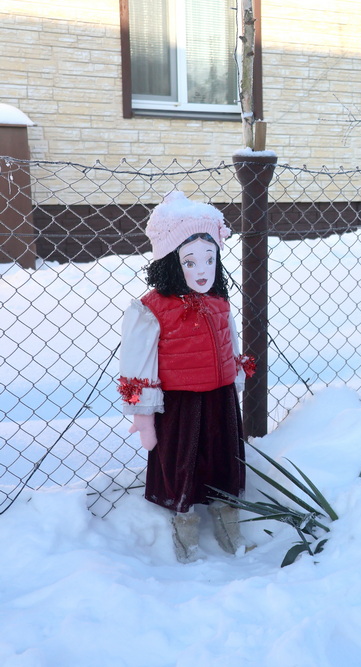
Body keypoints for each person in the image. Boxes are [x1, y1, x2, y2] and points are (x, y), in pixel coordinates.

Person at [118, 191, 255, 562]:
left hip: (220, 398)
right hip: (179, 403)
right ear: (170, 263)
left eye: (210, 259)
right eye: (190, 261)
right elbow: (136, 364)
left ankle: (229, 524)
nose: (202, 270)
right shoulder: (150, 309)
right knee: (183, 463)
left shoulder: (219, 301)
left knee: (225, 460)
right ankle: (185, 528)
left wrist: (235, 380)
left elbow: (231, 342)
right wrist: (143, 415)